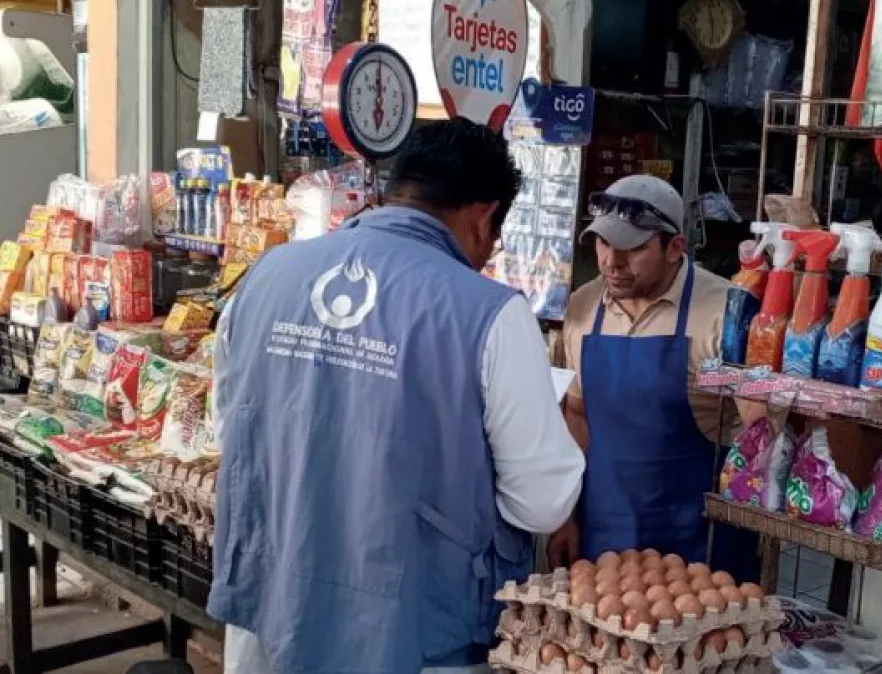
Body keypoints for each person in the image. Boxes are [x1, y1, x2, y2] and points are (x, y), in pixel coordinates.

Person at [209, 118, 585, 674]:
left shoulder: (266, 275)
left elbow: (230, 425)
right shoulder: (491, 313)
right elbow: (542, 501)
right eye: (494, 238)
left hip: (270, 608)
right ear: (484, 217)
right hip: (409, 632)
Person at [548, 174, 762, 581]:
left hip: (697, 539)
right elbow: (577, 415)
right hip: (603, 530)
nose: (612, 261)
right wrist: (566, 515)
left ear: (675, 247)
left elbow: (759, 434)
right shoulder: (582, 307)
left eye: (633, 248)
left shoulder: (727, 313)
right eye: (603, 242)